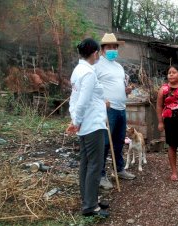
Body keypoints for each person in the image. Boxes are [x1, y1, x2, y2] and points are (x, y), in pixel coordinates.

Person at [66, 38, 109, 217]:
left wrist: (75, 120)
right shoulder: (88, 73)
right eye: (98, 52)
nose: (98, 54)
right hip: (92, 125)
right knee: (95, 165)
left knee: (86, 163)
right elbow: (82, 101)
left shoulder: (78, 70)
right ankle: (91, 206)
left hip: (85, 124)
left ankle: (88, 199)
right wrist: (76, 122)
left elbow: (73, 100)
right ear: (94, 53)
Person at [95, 33, 135, 190]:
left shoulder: (118, 67)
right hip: (107, 110)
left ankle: (119, 170)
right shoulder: (97, 65)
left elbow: (118, 87)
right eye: (109, 47)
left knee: (119, 142)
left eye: (115, 47)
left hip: (121, 108)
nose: (113, 50)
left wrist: (126, 91)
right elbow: (92, 87)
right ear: (103, 49)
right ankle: (100, 175)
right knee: (105, 143)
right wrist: (99, 103)